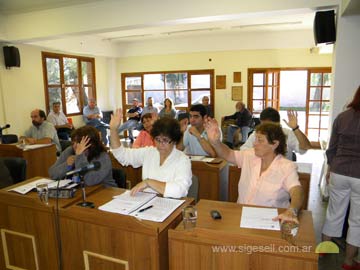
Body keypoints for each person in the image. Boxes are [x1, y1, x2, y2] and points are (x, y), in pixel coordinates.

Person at [205, 119, 304, 223]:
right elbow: (228, 154)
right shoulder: (249, 155)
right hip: (242, 215)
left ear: (274, 144)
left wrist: (292, 210)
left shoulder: (287, 167)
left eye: (260, 140)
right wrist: (216, 143)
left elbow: (297, 190)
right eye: (255, 139)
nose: (254, 144)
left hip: (271, 220)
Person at [110, 109, 192, 198]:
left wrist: (148, 182)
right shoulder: (149, 152)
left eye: (165, 140)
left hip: (171, 204)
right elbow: (122, 155)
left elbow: (180, 190)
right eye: (157, 139)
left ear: (174, 140)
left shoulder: (182, 160)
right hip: (147, 201)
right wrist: (113, 130)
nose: (161, 144)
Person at [322, 86, 360, 270]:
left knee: (334, 212)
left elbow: (332, 147)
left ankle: (323, 249)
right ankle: (348, 262)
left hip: (339, 171)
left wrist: (330, 168)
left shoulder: (343, 117)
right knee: (357, 220)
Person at [48, 125, 116, 187]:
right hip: (81, 191)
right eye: (73, 142)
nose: (74, 145)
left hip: (105, 191)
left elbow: (89, 181)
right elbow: (52, 174)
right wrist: (67, 165)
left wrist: (80, 156)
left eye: (78, 142)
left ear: (90, 143)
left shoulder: (102, 156)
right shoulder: (70, 150)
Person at [241, 107, 312, 160]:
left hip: (283, 173)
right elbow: (243, 150)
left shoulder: (287, 133)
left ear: (278, 124)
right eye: (264, 126)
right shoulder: (257, 134)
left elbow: (305, 148)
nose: (267, 130)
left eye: (271, 127)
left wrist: (295, 128)